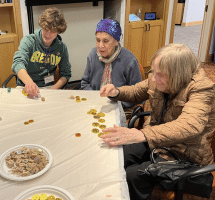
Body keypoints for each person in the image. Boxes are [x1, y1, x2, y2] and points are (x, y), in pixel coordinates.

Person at [99, 43, 215, 200]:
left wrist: (143, 134)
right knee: (119, 155)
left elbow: (190, 125)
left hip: (186, 156)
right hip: (159, 142)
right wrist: (117, 92)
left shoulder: (202, 89)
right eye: (153, 72)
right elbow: (135, 92)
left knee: (133, 176)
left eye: (160, 75)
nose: (153, 78)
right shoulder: (157, 78)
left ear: (177, 75)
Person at [81, 19, 142, 119]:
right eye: (98, 40)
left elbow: (137, 94)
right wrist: (97, 99)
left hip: (121, 108)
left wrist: (115, 104)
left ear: (116, 41)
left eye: (105, 41)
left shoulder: (129, 61)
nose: (100, 46)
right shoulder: (93, 55)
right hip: (96, 105)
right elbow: (85, 83)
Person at [11, 7, 72, 97]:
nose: (47, 34)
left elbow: (66, 74)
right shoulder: (29, 41)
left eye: (52, 31)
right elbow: (17, 63)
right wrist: (29, 82)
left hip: (48, 87)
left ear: (58, 31)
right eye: (46, 29)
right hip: (25, 85)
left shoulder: (61, 48)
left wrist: (52, 90)